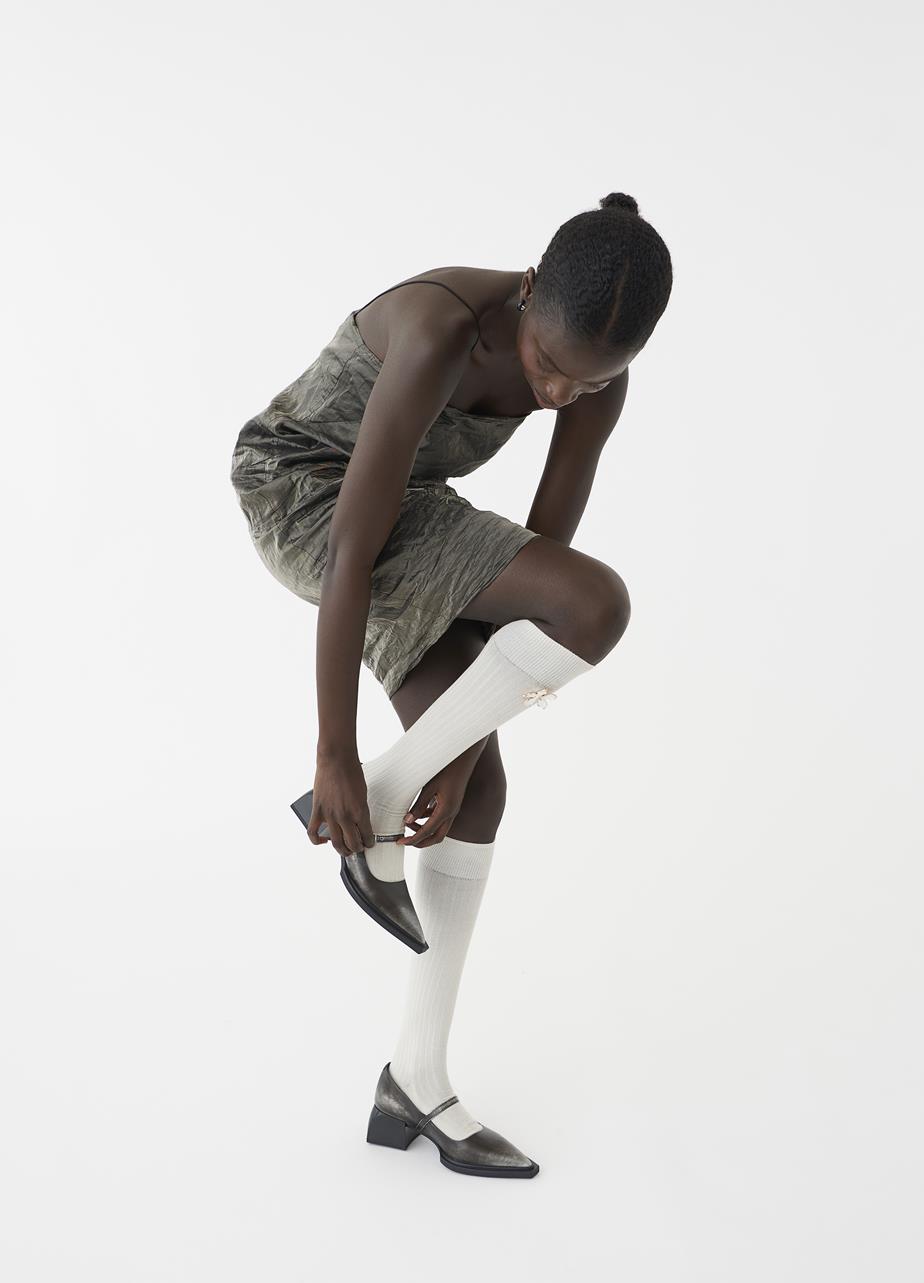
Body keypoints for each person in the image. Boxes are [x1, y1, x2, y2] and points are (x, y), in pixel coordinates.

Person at [230, 192, 673, 1177]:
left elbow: (536, 557)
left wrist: (462, 745)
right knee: (599, 604)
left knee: (486, 789)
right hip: (303, 496)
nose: (559, 394)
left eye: (589, 381)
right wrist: (340, 754)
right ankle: (382, 795)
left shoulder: (597, 381)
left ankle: (415, 1081)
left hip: (408, 514)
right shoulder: (440, 327)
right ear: (524, 295)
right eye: (547, 366)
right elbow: (352, 543)